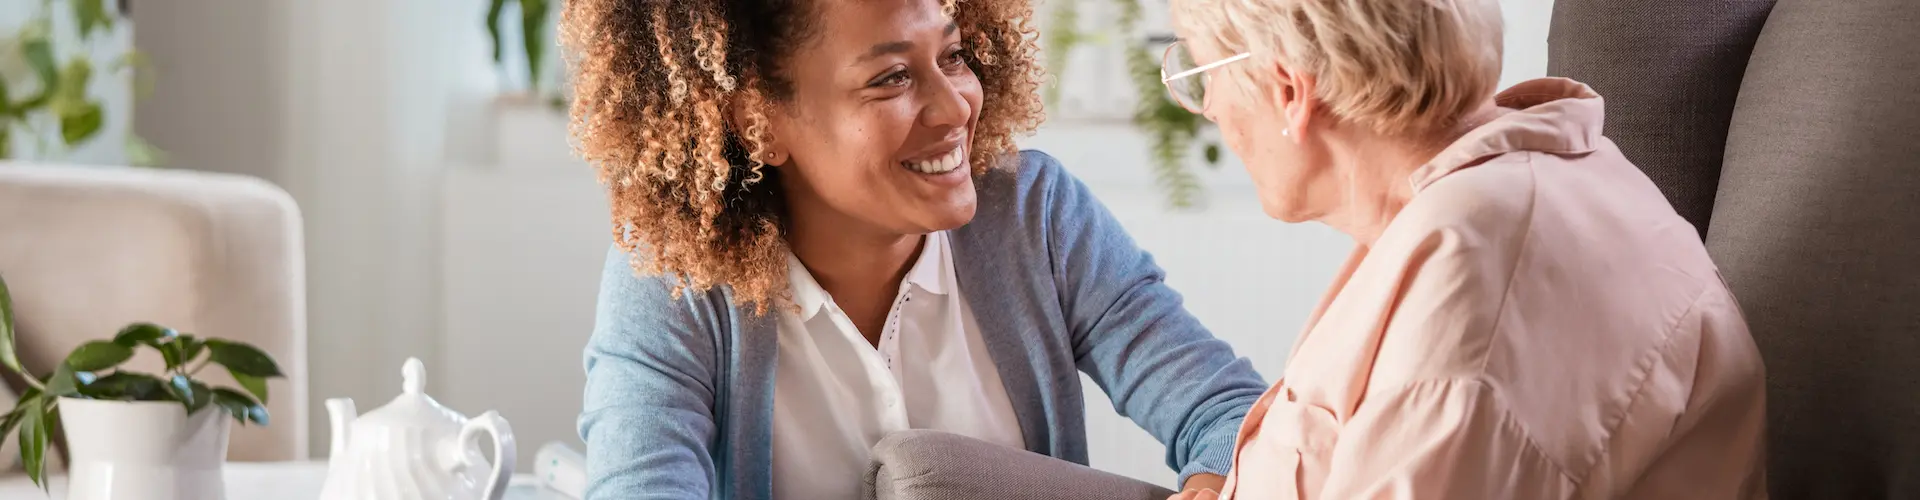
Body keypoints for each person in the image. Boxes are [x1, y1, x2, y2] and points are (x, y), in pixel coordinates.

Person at [558, 0, 1267, 498]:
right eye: (891, 77)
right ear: (758, 120)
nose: (956, 105)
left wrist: (1214, 488)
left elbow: (1234, 415)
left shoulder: (1035, 217)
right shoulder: (674, 277)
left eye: (952, 56)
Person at [1156, 0, 1768, 498]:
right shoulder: (1501, 195)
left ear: (1289, 90)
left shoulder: (1475, 273)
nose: (1207, 107)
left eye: (1203, 76)